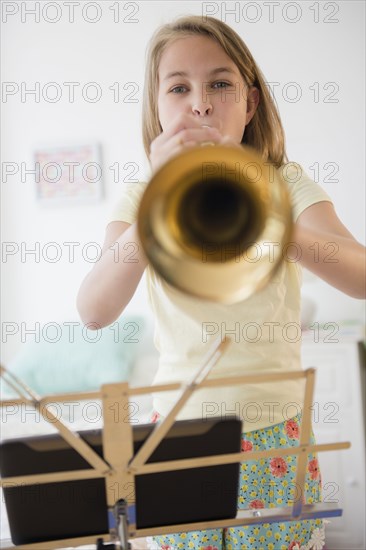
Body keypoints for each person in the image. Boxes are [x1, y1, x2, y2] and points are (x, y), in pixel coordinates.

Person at [77, 15, 366, 550]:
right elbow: (94, 310)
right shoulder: (140, 195)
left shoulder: (286, 181)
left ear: (250, 103)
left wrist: (269, 214)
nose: (201, 103)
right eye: (179, 87)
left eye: (220, 83)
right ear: (157, 108)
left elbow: (361, 277)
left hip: (276, 432)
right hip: (180, 437)